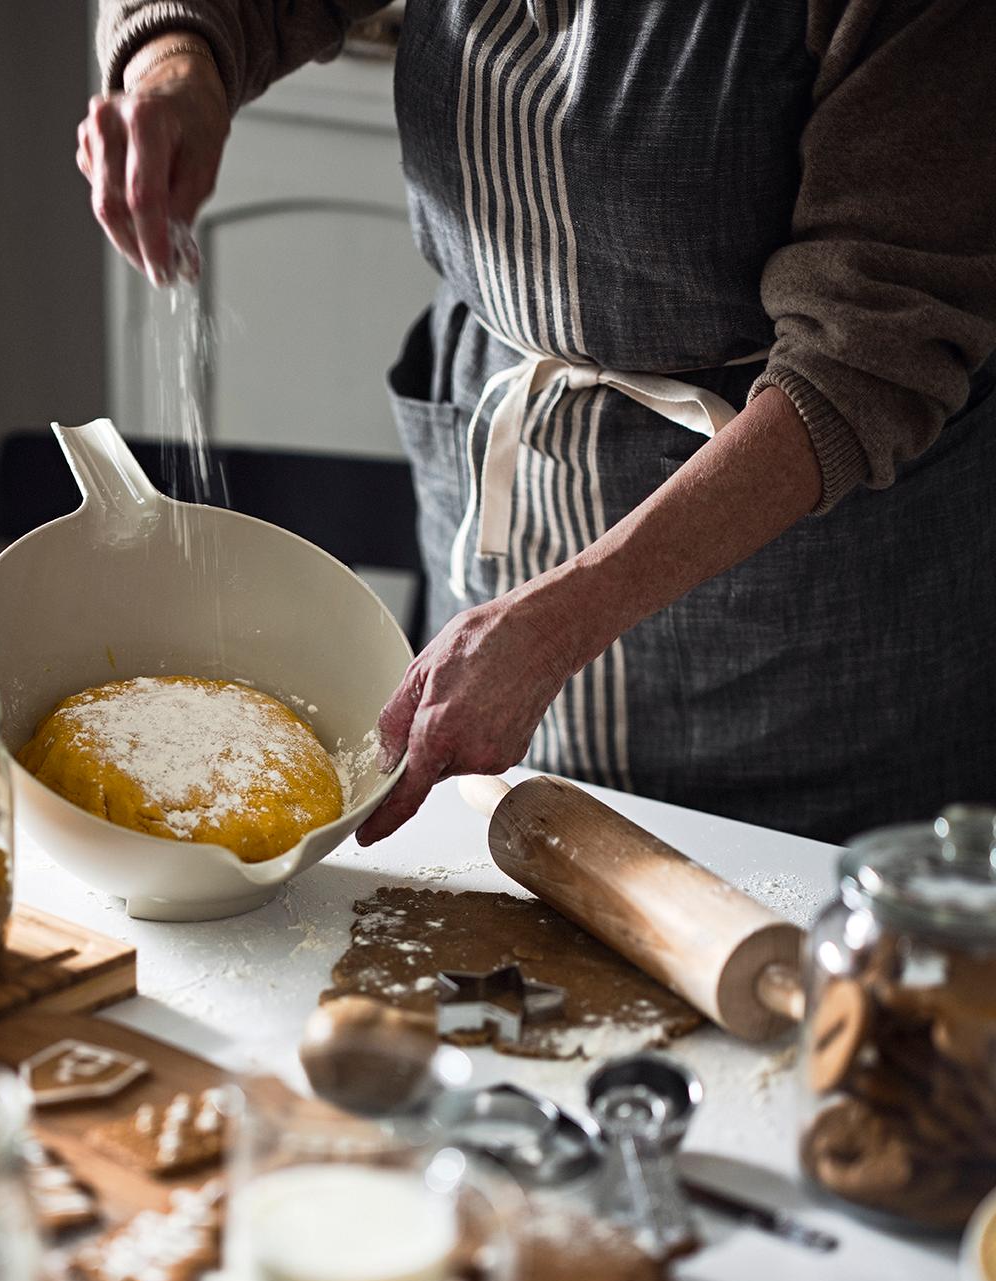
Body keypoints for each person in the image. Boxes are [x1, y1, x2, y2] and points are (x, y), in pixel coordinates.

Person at [82, 3, 996, 847]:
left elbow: (871, 349)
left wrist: (561, 624)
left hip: (814, 616)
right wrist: (177, 69)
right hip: (515, 509)